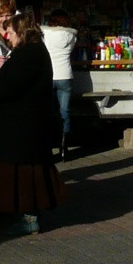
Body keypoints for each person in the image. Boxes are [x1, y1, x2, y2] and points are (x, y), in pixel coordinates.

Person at [0, 9, 67, 236]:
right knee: (27, 174)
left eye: (10, 32)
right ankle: (27, 215)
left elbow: (6, 87)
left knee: (24, 177)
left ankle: (29, 217)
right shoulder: (34, 52)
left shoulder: (28, 55)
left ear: (21, 32)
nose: (7, 36)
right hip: (27, 128)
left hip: (22, 130)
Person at [41, 9, 78, 158]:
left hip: (49, 75)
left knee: (48, 112)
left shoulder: (45, 34)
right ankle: (64, 147)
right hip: (65, 75)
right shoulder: (72, 36)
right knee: (65, 112)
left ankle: (48, 147)